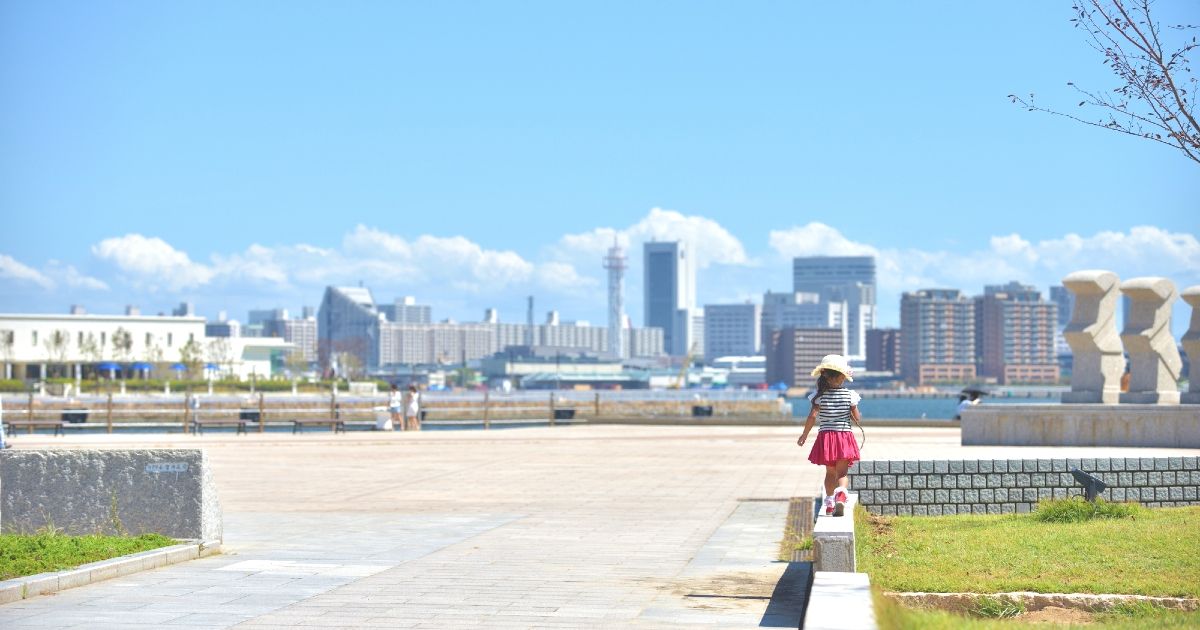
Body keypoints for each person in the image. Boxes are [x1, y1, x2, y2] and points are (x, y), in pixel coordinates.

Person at [797, 354, 862, 517]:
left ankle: (830, 502)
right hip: (844, 437)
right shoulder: (849, 395)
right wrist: (850, 409)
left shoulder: (819, 397)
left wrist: (804, 435)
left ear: (824, 375)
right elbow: (857, 419)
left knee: (830, 473)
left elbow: (812, 417)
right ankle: (841, 495)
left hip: (826, 438)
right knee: (842, 474)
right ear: (842, 377)